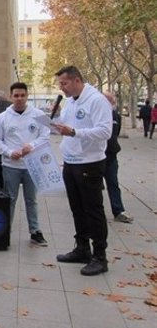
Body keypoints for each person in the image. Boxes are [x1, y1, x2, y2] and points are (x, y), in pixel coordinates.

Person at [52, 66, 113, 276]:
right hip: (70, 162)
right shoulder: (70, 102)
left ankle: (100, 256)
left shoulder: (97, 100)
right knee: (77, 208)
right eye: (60, 84)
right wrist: (55, 122)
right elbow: (67, 126)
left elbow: (105, 130)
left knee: (93, 210)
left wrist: (75, 132)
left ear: (77, 80)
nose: (62, 88)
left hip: (89, 163)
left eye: (64, 83)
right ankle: (82, 248)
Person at [0, 82, 50, 246]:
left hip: (32, 165)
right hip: (11, 166)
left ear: (27, 96)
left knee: (31, 199)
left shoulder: (38, 115)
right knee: (10, 199)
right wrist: (9, 152)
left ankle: (35, 231)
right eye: (16, 95)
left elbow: (46, 135)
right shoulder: (2, 117)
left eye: (22, 95)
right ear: (11, 97)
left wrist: (32, 146)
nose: (19, 98)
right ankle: (5, 231)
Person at [102, 93, 133, 223]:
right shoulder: (97, 115)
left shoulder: (116, 117)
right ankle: (91, 210)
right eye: (109, 101)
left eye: (112, 101)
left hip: (111, 156)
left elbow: (115, 134)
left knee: (113, 183)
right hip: (96, 156)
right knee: (93, 186)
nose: (112, 104)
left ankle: (118, 210)